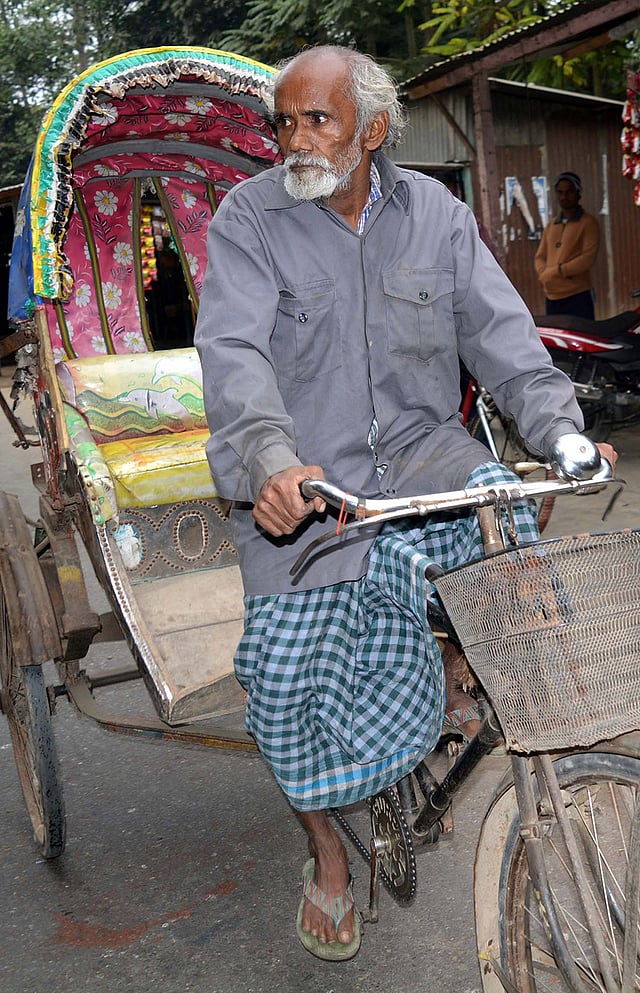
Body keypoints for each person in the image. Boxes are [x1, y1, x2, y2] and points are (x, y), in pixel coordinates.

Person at [194, 47, 616, 961]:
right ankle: (326, 851)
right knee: (283, 685)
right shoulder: (250, 218)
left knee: (516, 543)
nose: (295, 139)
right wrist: (272, 463)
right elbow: (233, 356)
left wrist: (561, 432)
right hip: (307, 489)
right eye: (283, 121)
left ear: (374, 129)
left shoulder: (437, 214)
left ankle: (467, 678)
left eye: (318, 120)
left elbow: (502, 336)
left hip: (427, 461)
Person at [534, 171, 600, 319]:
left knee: (582, 333)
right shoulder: (552, 225)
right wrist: (543, 273)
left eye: (569, 192)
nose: (564, 197)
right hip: (552, 297)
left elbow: (588, 258)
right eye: (560, 192)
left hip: (577, 295)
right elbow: (540, 256)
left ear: (578, 193)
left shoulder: (588, 223)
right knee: (556, 334)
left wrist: (557, 271)